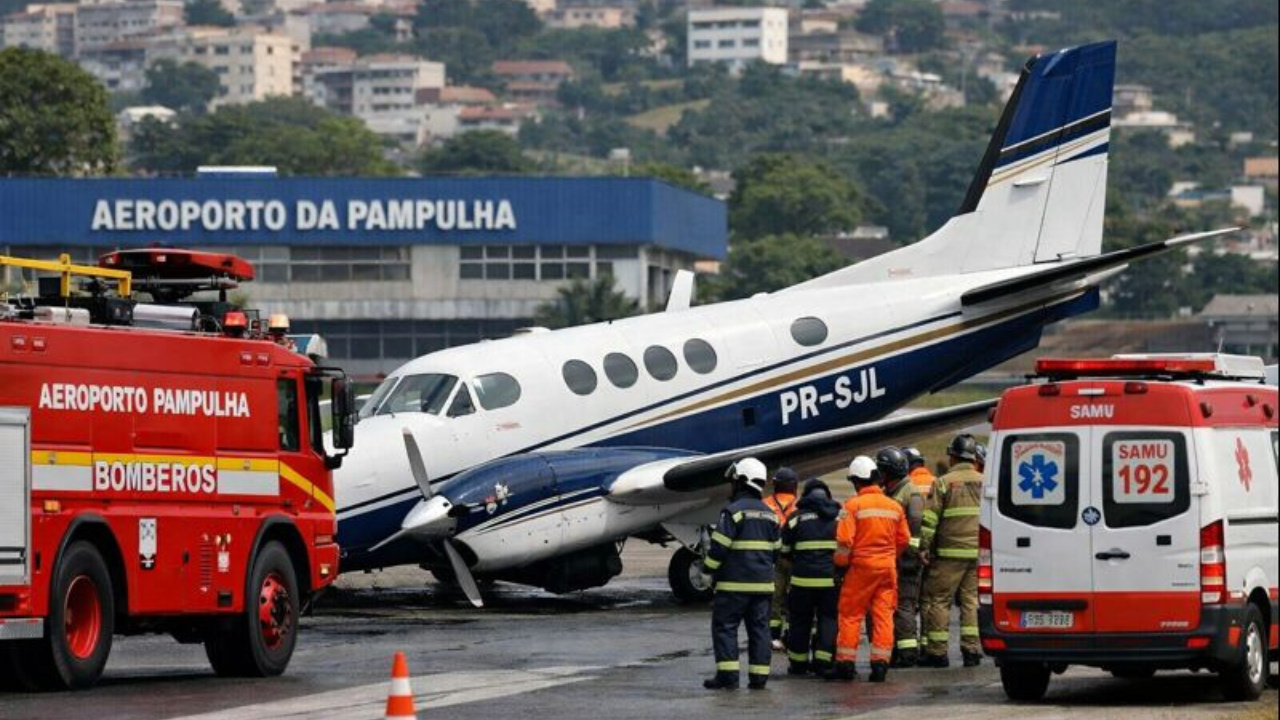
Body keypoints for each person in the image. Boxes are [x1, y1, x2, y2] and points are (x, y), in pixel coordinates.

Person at [703, 457, 780, 691]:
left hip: (733, 587)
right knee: (759, 631)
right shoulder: (770, 514)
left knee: (725, 627)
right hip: (762, 587)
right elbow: (777, 551)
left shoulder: (732, 512)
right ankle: (759, 678)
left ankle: (728, 677)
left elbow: (719, 548)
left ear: (742, 481)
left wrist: (707, 570)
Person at [830, 456, 910, 683]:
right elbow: (903, 538)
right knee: (884, 615)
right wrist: (889, 556)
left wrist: (840, 566)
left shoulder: (853, 506)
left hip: (861, 569)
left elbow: (844, 541)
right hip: (887, 568)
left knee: (851, 615)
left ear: (856, 481)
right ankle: (880, 665)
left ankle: (845, 664)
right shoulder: (894, 506)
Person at [919, 434, 985, 669]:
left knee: (939, 600)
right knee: (970, 602)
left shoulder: (943, 482)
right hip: (977, 553)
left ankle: (938, 653)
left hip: (948, 554)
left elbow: (929, 518)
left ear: (954, 455)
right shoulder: (985, 481)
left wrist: (924, 546)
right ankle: (972, 651)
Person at [780, 478, 841, 677]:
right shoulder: (836, 519)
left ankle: (798, 664)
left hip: (801, 581)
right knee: (828, 620)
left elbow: (785, 550)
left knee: (799, 621)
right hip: (829, 581)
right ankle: (823, 662)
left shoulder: (795, 518)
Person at [877, 446, 925, 668]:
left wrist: (909, 557)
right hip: (893, 559)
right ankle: (897, 649)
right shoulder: (895, 491)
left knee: (905, 606)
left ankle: (907, 653)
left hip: (905, 561)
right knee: (894, 606)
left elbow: (914, 529)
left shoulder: (910, 493)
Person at [764, 467, 800, 649]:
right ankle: (790, 635)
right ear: (794, 487)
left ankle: (773, 637)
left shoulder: (764, 504)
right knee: (792, 600)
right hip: (795, 559)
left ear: (775, 485)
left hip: (772, 559)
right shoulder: (801, 506)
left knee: (774, 599)